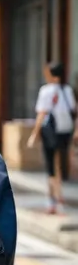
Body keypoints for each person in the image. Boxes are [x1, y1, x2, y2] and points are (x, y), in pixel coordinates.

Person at [28, 62, 77, 214]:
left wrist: (34, 134)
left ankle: (54, 198)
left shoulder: (46, 91)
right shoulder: (68, 90)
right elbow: (74, 111)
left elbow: (42, 113)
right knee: (59, 162)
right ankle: (55, 195)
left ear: (52, 75)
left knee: (50, 164)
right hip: (65, 130)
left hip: (51, 131)